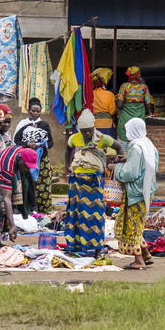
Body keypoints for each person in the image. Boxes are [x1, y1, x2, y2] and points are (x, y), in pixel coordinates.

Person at [62, 110, 120, 257]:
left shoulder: (102, 139)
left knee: (95, 215)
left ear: (93, 128)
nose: (87, 134)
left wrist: (120, 161)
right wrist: (68, 166)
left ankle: (97, 249)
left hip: (94, 182)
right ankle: (75, 246)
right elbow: (68, 150)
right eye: (84, 131)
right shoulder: (75, 138)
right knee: (75, 214)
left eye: (89, 131)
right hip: (77, 182)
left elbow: (119, 147)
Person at [114, 117, 159, 268]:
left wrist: (115, 168)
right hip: (146, 189)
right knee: (138, 223)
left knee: (131, 225)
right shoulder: (148, 145)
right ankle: (145, 254)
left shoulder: (136, 148)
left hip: (135, 192)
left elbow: (130, 173)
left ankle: (139, 261)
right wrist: (127, 159)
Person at [11, 98, 56, 217]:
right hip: (26, 161)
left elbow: (51, 142)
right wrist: (27, 145)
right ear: (29, 111)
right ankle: (29, 208)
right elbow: (16, 141)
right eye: (33, 111)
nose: (36, 113)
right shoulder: (23, 124)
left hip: (42, 160)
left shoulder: (44, 125)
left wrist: (41, 145)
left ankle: (43, 211)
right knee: (29, 183)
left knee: (44, 184)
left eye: (38, 111)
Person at [116, 65, 150, 141]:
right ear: (139, 74)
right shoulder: (144, 87)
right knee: (138, 138)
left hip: (125, 118)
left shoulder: (124, 86)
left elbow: (119, 105)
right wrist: (145, 110)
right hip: (139, 117)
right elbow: (148, 105)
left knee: (124, 140)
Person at [89, 69, 117, 135]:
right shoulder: (109, 94)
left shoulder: (89, 94)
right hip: (107, 126)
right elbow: (112, 111)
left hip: (92, 125)